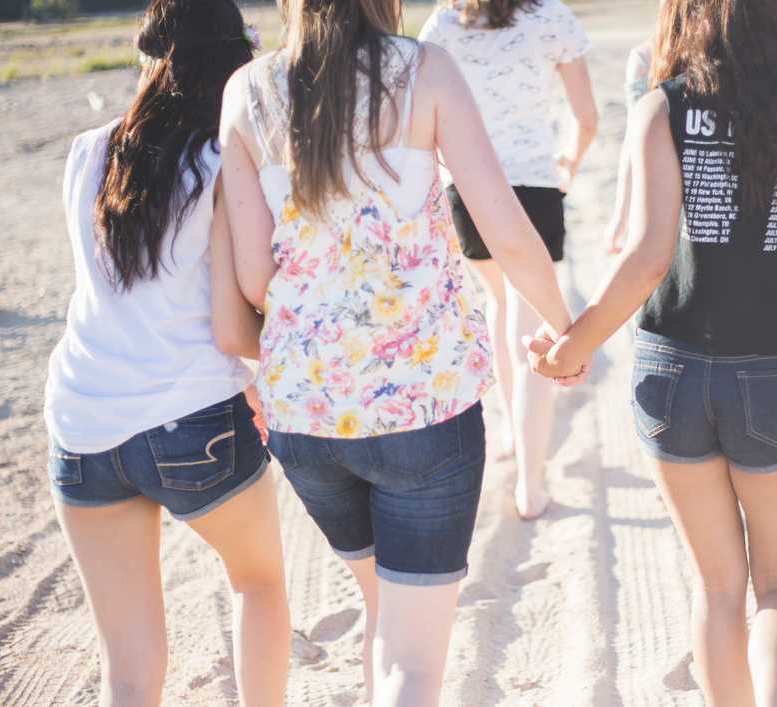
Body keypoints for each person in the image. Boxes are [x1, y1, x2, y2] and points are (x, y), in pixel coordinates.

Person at [527, 0, 777, 704]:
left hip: (673, 371)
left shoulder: (665, 107)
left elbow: (644, 260)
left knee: (717, 589)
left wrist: (570, 348)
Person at [217, 0, 578, 704]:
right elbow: (503, 224)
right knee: (414, 662)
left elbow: (254, 277)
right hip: (427, 410)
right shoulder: (425, 71)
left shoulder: (248, 91)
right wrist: (566, 328)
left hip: (309, 418)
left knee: (382, 609)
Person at [43, 1, 291, 705]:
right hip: (191, 420)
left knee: (129, 663)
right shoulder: (223, 161)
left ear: (149, 54)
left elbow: (119, 296)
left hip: (83, 422)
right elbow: (234, 314)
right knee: (260, 581)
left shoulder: (88, 152)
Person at [419, 0, 598, 519]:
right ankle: (530, 482)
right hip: (534, 184)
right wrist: (569, 163)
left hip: (468, 189)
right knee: (535, 329)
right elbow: (585, 117)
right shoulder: (551, 17)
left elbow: (422, 110)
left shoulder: (445, 21)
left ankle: (510, 435)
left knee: (499, 307)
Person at [604, 33, 654, 254]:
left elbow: (635, 140)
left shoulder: (645, 56)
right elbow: (635, 139)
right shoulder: (645, 56)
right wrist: (620, 215)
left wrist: (621, 216)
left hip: (660, 193)